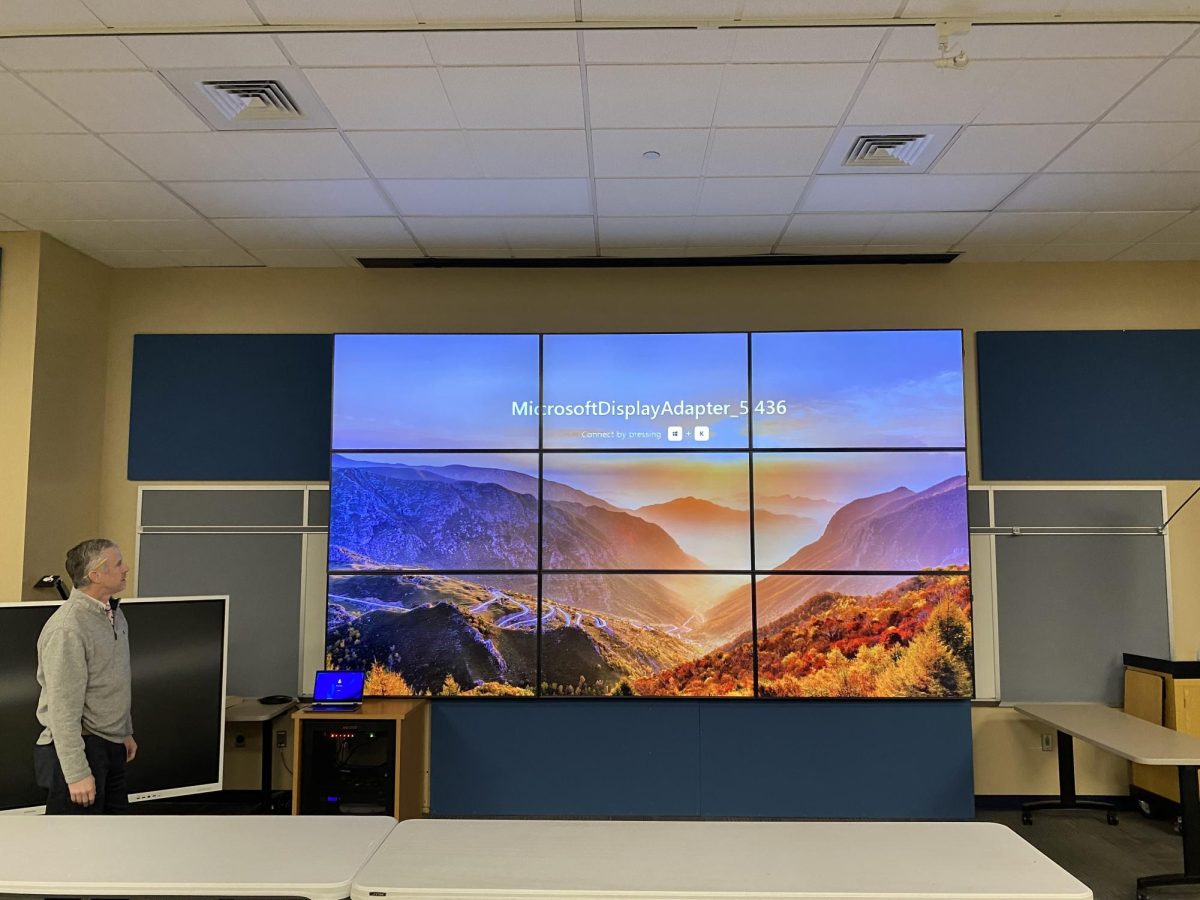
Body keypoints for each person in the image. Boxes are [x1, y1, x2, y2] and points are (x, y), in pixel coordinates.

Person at [34, 539, 136, 814]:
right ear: (95, 574)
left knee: (113, 841)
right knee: (75, 848)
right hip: (81, 749)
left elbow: (115, 678)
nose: (126, 568)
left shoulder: (114, 613)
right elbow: (62, 709)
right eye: (118, 564)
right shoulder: (68, 628)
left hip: (111, 745)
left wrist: (124, 731)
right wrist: (77, 773)